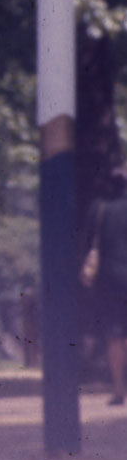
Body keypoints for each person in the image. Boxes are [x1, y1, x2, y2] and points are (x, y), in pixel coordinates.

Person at [85, 171, 127, 405]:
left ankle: (119, 388)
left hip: (109, 279)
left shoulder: (98, 209)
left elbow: (88, 243)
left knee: (114, 334)